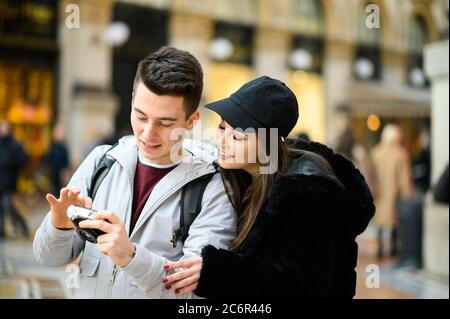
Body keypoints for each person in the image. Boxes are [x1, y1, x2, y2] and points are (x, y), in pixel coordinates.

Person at [33, 47, 237, 298]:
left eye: (165, 123)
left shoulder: (214, 186)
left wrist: (130, 256)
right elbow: (46, 258)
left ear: (192, 121)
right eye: (140, 116)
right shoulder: (101, 162)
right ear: (131, 101)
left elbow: (194, 295)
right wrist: (59, 226)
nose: (147, 133)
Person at [162, 76, 375, 299]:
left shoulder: (304, 196)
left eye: (237, 136)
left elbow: (302, 288)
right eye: (222, 127)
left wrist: (218, 272)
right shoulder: (244, 175)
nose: (222, 140)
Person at [370, 124, 413, 259]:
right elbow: (404, 178)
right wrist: (407, 194)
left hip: (378, 193)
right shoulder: (400, 153)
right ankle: (393, 249)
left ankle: (380, 250)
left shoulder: (375, 152)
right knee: (394, 222)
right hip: (394, 194)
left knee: (380, 223)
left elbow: (370, 174)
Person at [0, 120, 29, 239]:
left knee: (8, 206)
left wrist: (10, 163)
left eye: (4, 128)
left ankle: (23, 226)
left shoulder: (15, 145)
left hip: (9, 183)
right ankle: (1, 232)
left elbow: (23, 159)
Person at [47, 124, 70, 196]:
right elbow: (49, 158)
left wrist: (65, 171)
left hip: (61, 171)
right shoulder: (52, 146)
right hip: (53, 170)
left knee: (60, 188)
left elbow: (66, 160)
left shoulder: (63, 147)